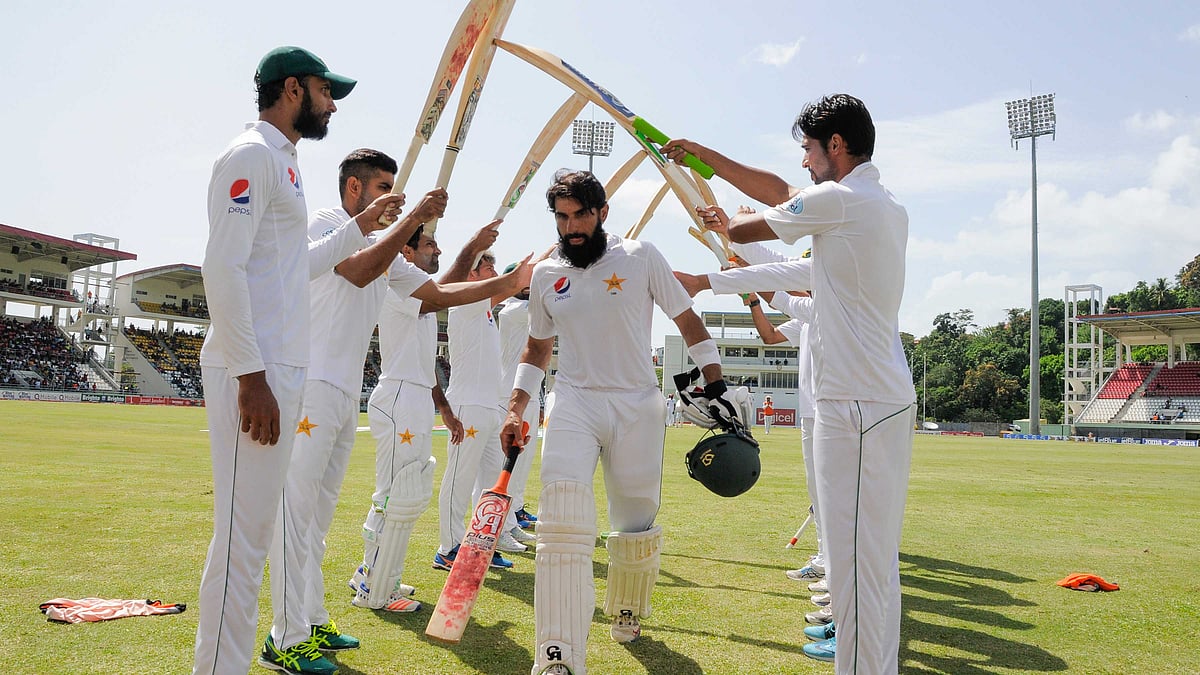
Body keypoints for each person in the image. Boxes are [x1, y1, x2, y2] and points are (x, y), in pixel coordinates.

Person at [663, 94, 915, 673]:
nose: (804, 161)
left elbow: (769, 206)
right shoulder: (877, 206)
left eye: (807, 148)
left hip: (856, 402)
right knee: (867, 561)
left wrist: (708, 176)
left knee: (856, 563)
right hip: (869, 398)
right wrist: (708, 277)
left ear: (835, 146)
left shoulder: (842, 199)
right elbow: (800, 271)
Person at [195, 46, 405, 675]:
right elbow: (220, 267)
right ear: (292, 89)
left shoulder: (284, 164)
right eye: (324, 90)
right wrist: (250, 375)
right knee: (241, 544)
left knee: (253, 540)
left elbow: (295, 267)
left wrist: (361, 223)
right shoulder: (251, 155)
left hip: (282, 368)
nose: (332, 103)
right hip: (253, 371)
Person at [499, 170, 736, 675]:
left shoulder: (641, 256)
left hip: (637, 405)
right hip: (574, 402)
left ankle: (627, 608)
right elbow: (538, 347)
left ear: (602, 212)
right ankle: (557, 656)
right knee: (560, 518)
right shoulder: (545, 274)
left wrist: (715, 382)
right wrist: (517, 406)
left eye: (581, 215)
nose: (571, 227)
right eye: (562, 218)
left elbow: (687, 318)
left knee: (633, 522)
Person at [267, 147, 448, 664]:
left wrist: (512, 282)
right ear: (354, 189)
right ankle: (284, 638)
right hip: (310, 385)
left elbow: (437, 294)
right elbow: (356, 272)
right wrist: (413, 216)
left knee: (317, 521)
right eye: (382, 187)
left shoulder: (380, 244)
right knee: (294, 516)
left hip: (347, 394)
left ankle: (312, 621)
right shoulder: (325, 221)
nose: (392, 198)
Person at [355, 221, 534, 611]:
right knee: (394, 493)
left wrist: (444, 408)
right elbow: (447, 291)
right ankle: (372, 582)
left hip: (415, 394)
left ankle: (376, 574)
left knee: (405, 492)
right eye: (430, 245)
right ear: (405, 252)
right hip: (401, 395)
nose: (437, 252)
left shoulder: (416, 292)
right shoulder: (399, 286)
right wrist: (472, 246)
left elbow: (426, 357)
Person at [435, 245, 528, 568]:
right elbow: (511, 284)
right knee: (459, 479)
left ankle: (479, 543)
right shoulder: (466, 301)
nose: (495, 276)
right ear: (472, 273)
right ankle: (449, 546)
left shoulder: (486, 309)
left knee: (491, 483)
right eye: (489, 269)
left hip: (489, 407)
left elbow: (508, 287)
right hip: (468, 406)